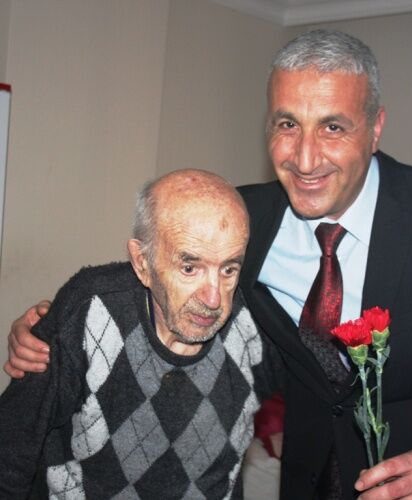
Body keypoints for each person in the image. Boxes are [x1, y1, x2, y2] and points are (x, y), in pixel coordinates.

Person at [6, 30, 412, 500]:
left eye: (333, 127)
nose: (305, 159)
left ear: (375, 127)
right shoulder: (246, 218)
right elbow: (159, 277)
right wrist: (49, 329)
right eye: (287, 124)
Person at [0, 169, 281, 499]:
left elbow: (326, 396)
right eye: (189, 268)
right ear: (141, 262)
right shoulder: (91, 309)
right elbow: (11, 449)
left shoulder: (257, 325)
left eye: (229, 269)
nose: (213, 299)